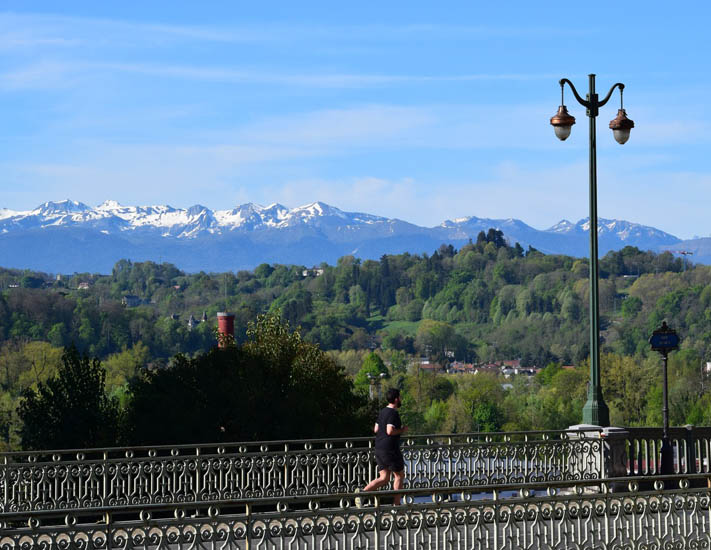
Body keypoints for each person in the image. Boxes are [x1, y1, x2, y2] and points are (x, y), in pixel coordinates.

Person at [357, 388, 408, 506]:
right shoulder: (393, 413)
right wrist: (402, 430)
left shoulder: (382, 411)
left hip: (379, 447)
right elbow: (390, 431)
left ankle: (362, 493)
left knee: (384, 478)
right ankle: (396, 505)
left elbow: (376, 429)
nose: (400, 399)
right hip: (390, 449)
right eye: (400, 397)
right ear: (396, 399)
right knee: (399, 475)